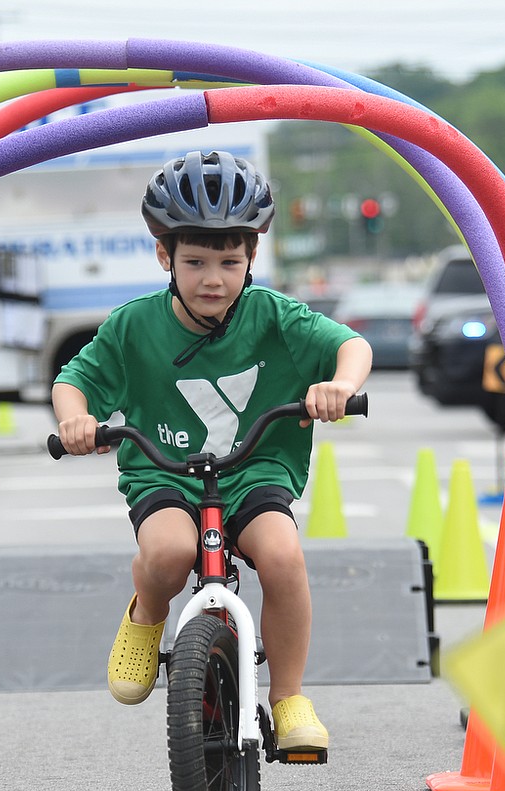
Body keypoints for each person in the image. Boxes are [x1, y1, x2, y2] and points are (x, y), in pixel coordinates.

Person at [52, 150, 372, 751]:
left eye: (229, 261)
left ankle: (289, 697)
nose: (213, 279)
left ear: (252, 258)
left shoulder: (274, 317)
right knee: (170, 553)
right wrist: (77, 422)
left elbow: (350, 345)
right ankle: (147, 611)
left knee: (283, 557)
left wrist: (340, 386)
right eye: (195, 261)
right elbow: (73, 381)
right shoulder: (134, 325)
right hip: (166, 472)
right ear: (164, 257)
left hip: (254, 469)